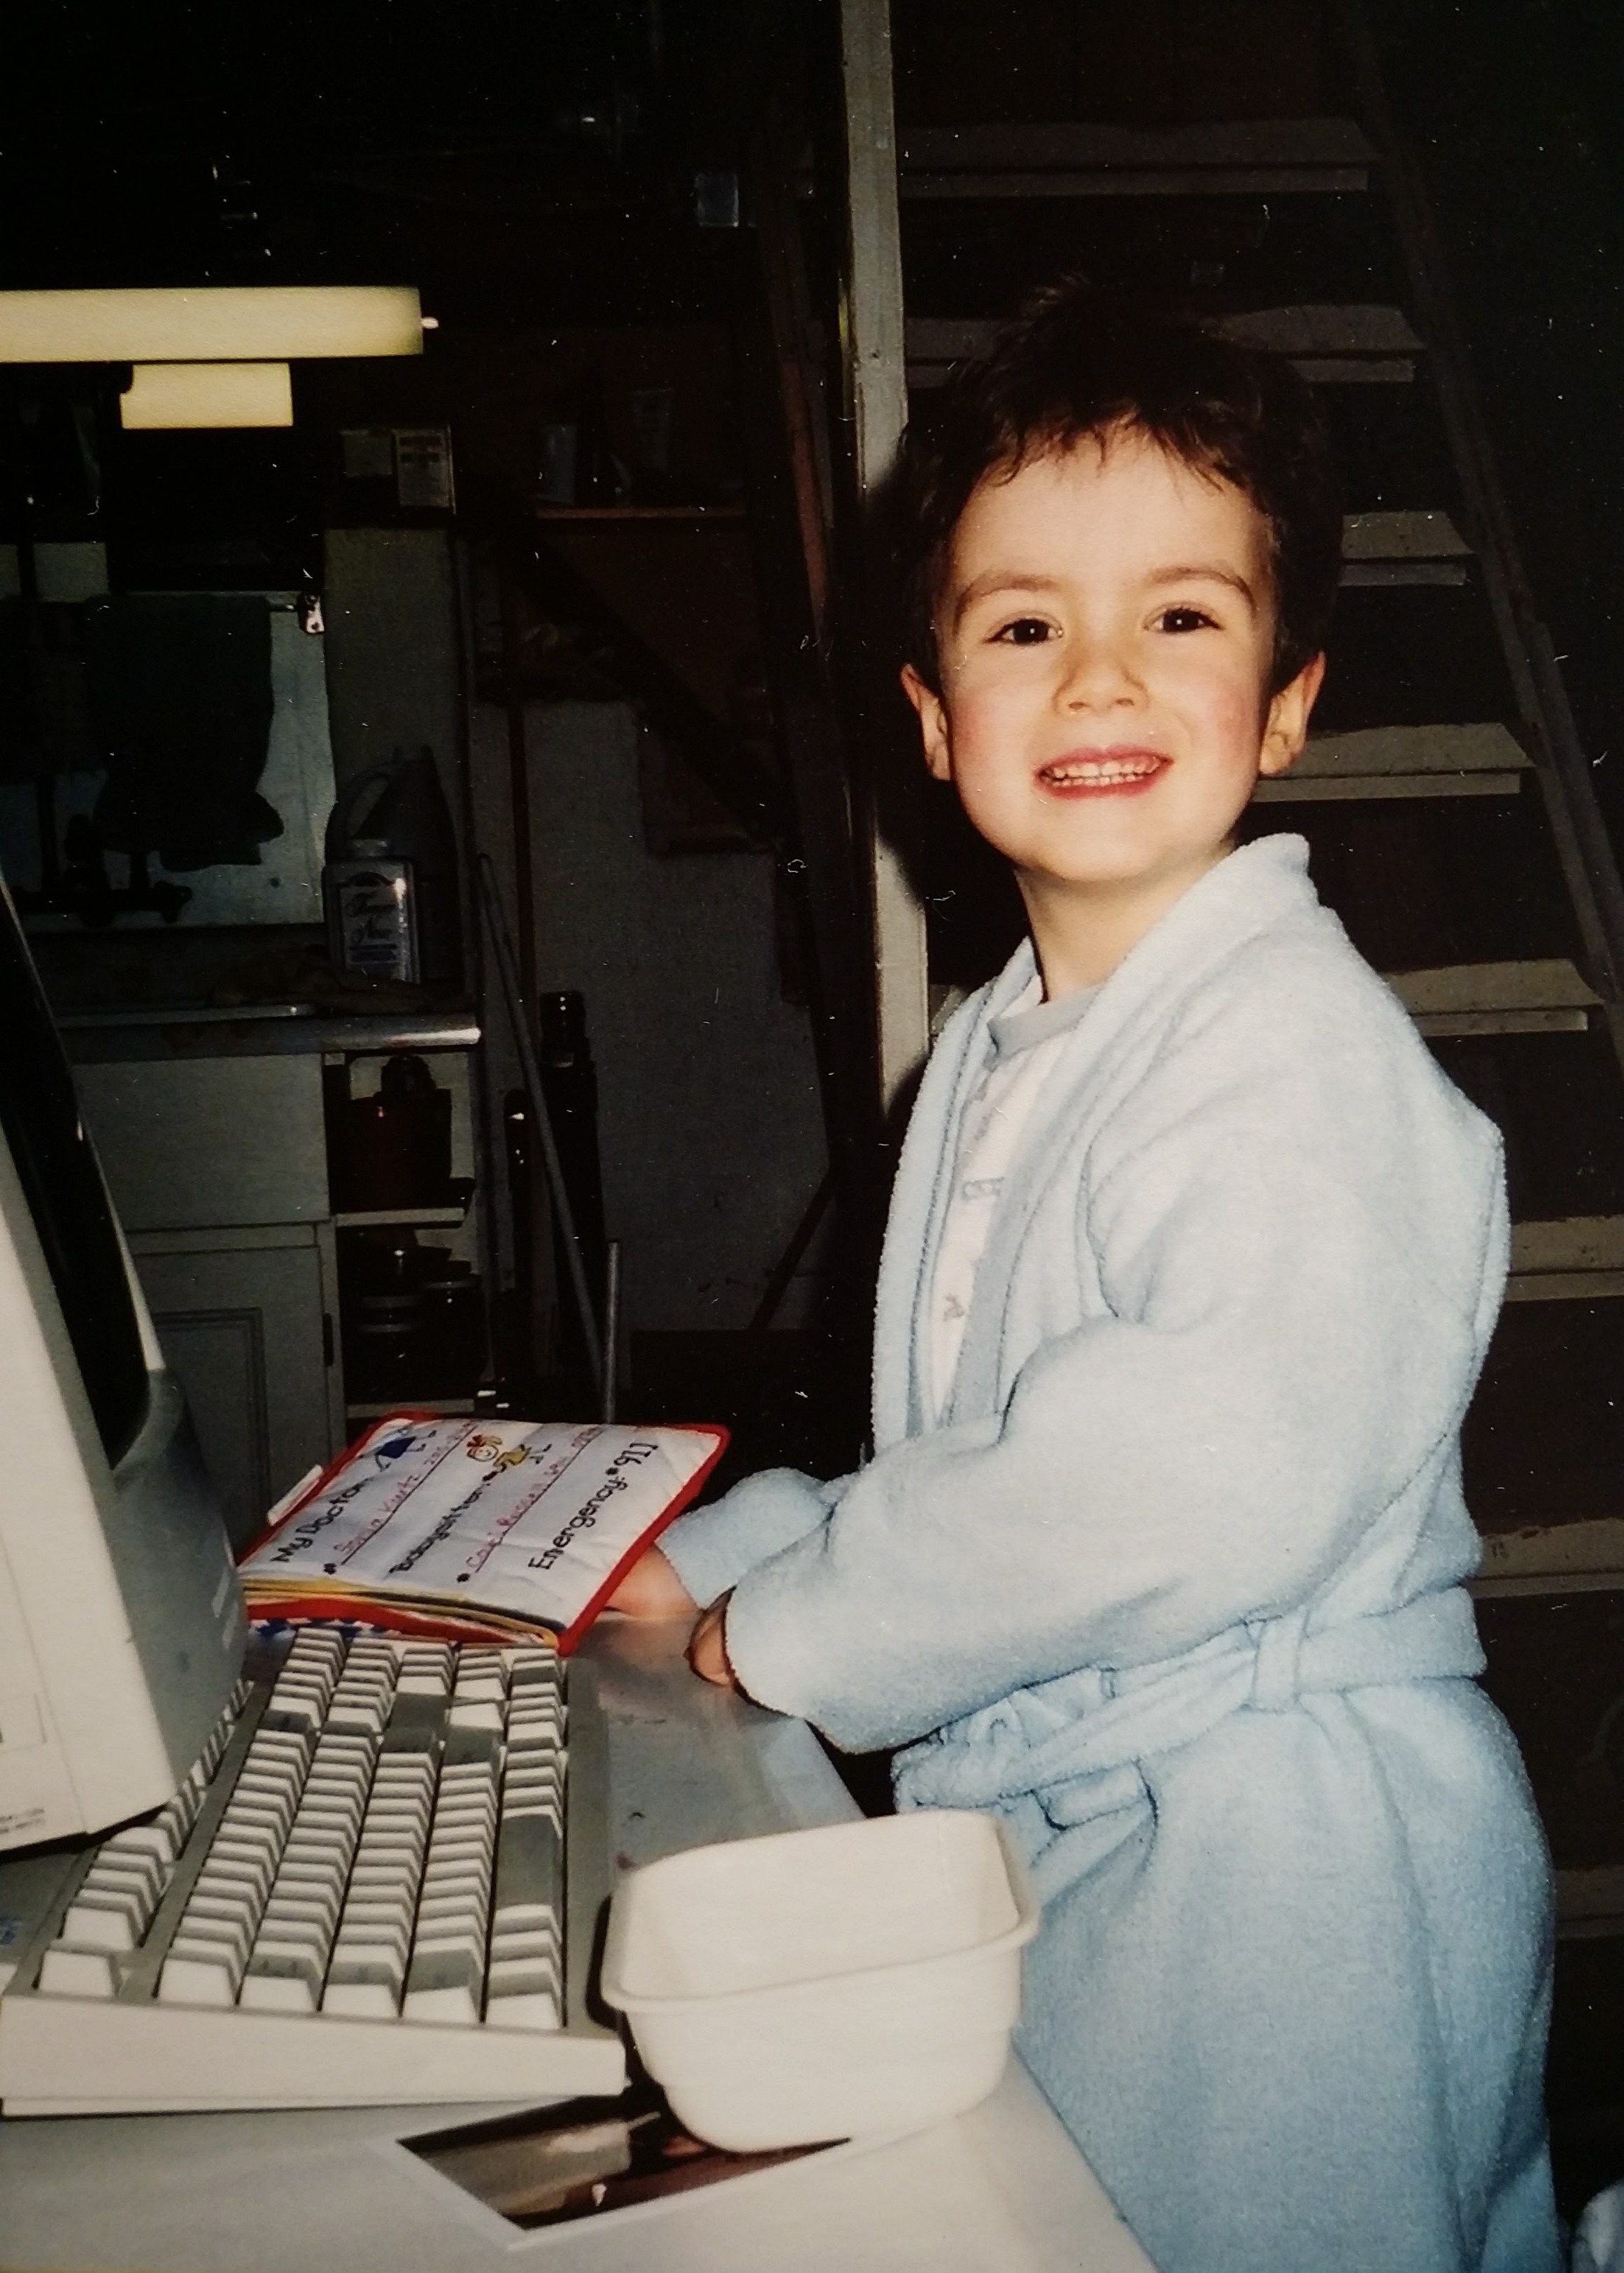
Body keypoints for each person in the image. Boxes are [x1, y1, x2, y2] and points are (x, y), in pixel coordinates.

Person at [609, 283, 1560, 2273]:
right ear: (937, 712)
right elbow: (992, 1448)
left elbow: (1173, 1471)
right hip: (1107, 1801)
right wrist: (732, 1550)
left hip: (1290, 1871)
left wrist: (799, 1623)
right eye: (1027, 625)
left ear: (1290, 701)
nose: (1101, 681)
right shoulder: (1003, 1036)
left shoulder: (1297, 1058)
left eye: (1182, 620)